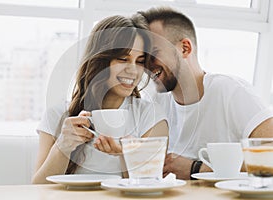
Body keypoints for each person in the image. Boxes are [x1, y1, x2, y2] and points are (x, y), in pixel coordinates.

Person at [137, 7, 273, 180]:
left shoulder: (230, 91)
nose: (146, 66)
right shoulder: (158, 102)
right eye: (143, 57)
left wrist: (197, 168)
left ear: (185, 48)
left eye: (154, 53)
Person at [32, 15, 168, 184]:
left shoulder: (151, 116)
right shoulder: (57, 115)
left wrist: (125, 154)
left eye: (140, 62)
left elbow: (149, 187)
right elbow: (39, 188)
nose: (133, 71)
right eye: (123, 59)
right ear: (100, 60)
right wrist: (64, 145)